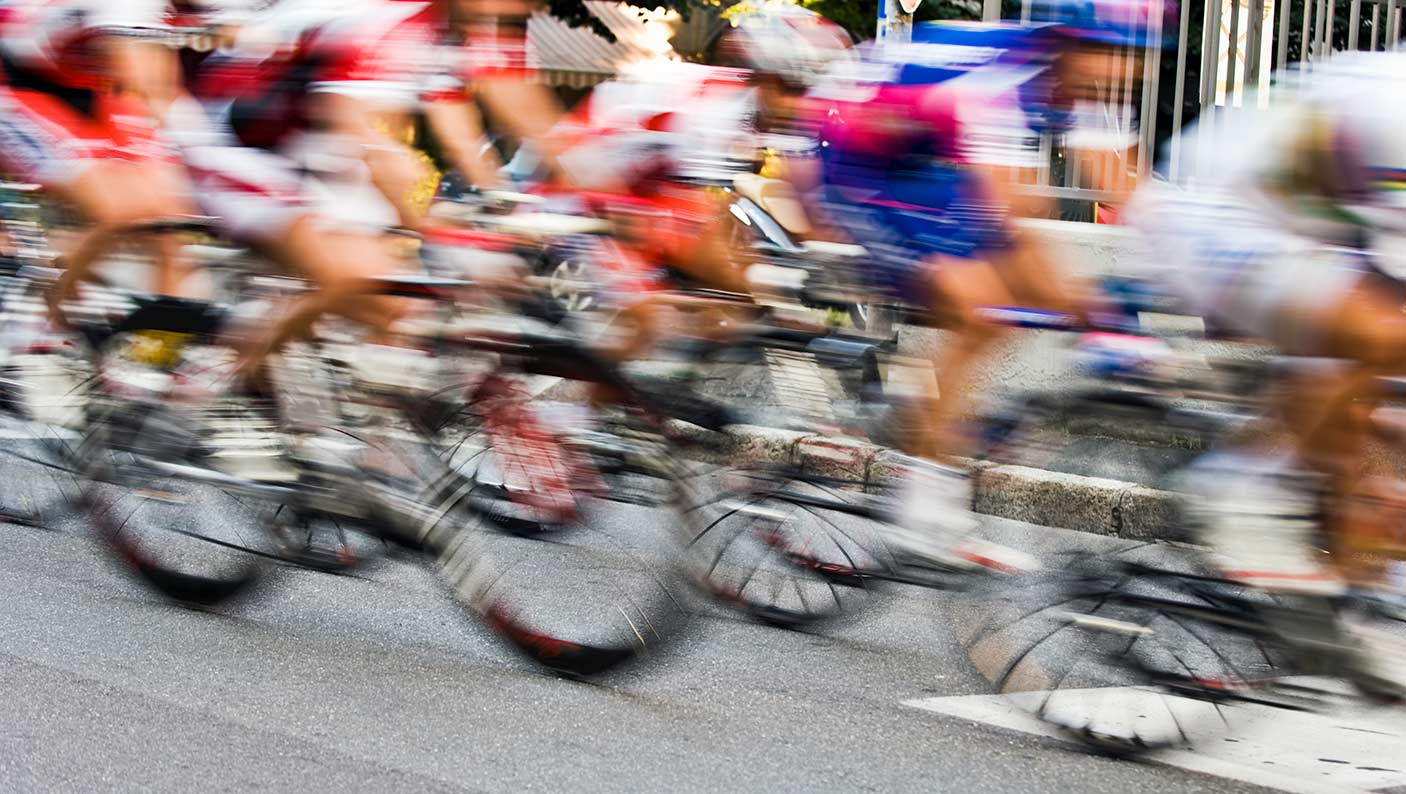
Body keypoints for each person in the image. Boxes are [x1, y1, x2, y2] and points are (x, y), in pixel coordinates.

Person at [811, 3, 1168, 568]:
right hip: (853, 159)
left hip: (921, 159)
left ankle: (928, 422)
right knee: (979, 311)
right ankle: (926, 513)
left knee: (1024, 299)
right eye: (1106, 51)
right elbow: (1003, 216)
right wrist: (1095, 313)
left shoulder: (1085, 84)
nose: (1123, 70)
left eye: (1134, 56)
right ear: (1063, 43)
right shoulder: (1003, 81)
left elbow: (1129, 189)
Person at [1127, 53, 1406, 696]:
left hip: (1309, 244)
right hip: (1215, 222)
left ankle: (1340, 611)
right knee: (1380, 342)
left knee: (1363, 437)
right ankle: (1243, 492)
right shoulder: (1394, 108)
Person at [169, 0, 564, 379]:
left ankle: (331, 419)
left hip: (312, 154)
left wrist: (505, 209)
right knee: (355, 276)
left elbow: (462, 139)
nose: (518, 8)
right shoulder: (391, 24)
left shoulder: (449, 32)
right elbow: (368, 143)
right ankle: (199, 395)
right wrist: (435, 227)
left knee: (403, 307)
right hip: (239, 148)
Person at [0, 0, 203, 319]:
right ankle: (46, 315)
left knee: (171, 219)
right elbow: (144, 81)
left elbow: (162, 78)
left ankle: (162, 349)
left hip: (92, 87)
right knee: (117, 211)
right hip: (22, 86)